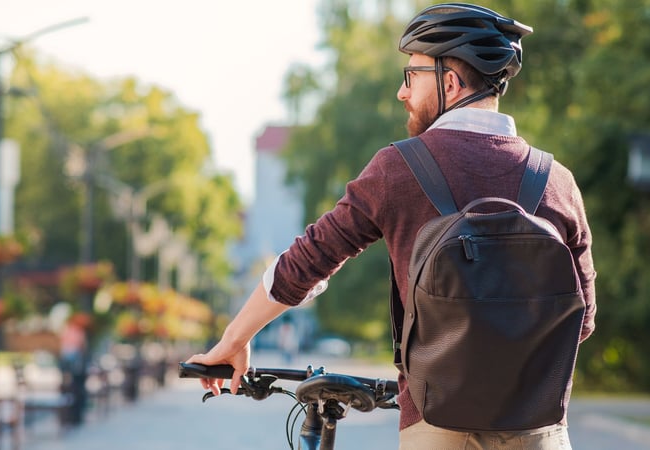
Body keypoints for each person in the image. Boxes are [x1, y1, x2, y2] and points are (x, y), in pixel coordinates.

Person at [187, 3, 596, 449]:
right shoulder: (557, 182)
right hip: (538, 430)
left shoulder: (398, 170)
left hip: (437, 426)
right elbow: (582, 318)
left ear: (450, 83)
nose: (402, 93)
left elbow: (308, 262)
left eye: (411, 76)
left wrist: (234, 338)